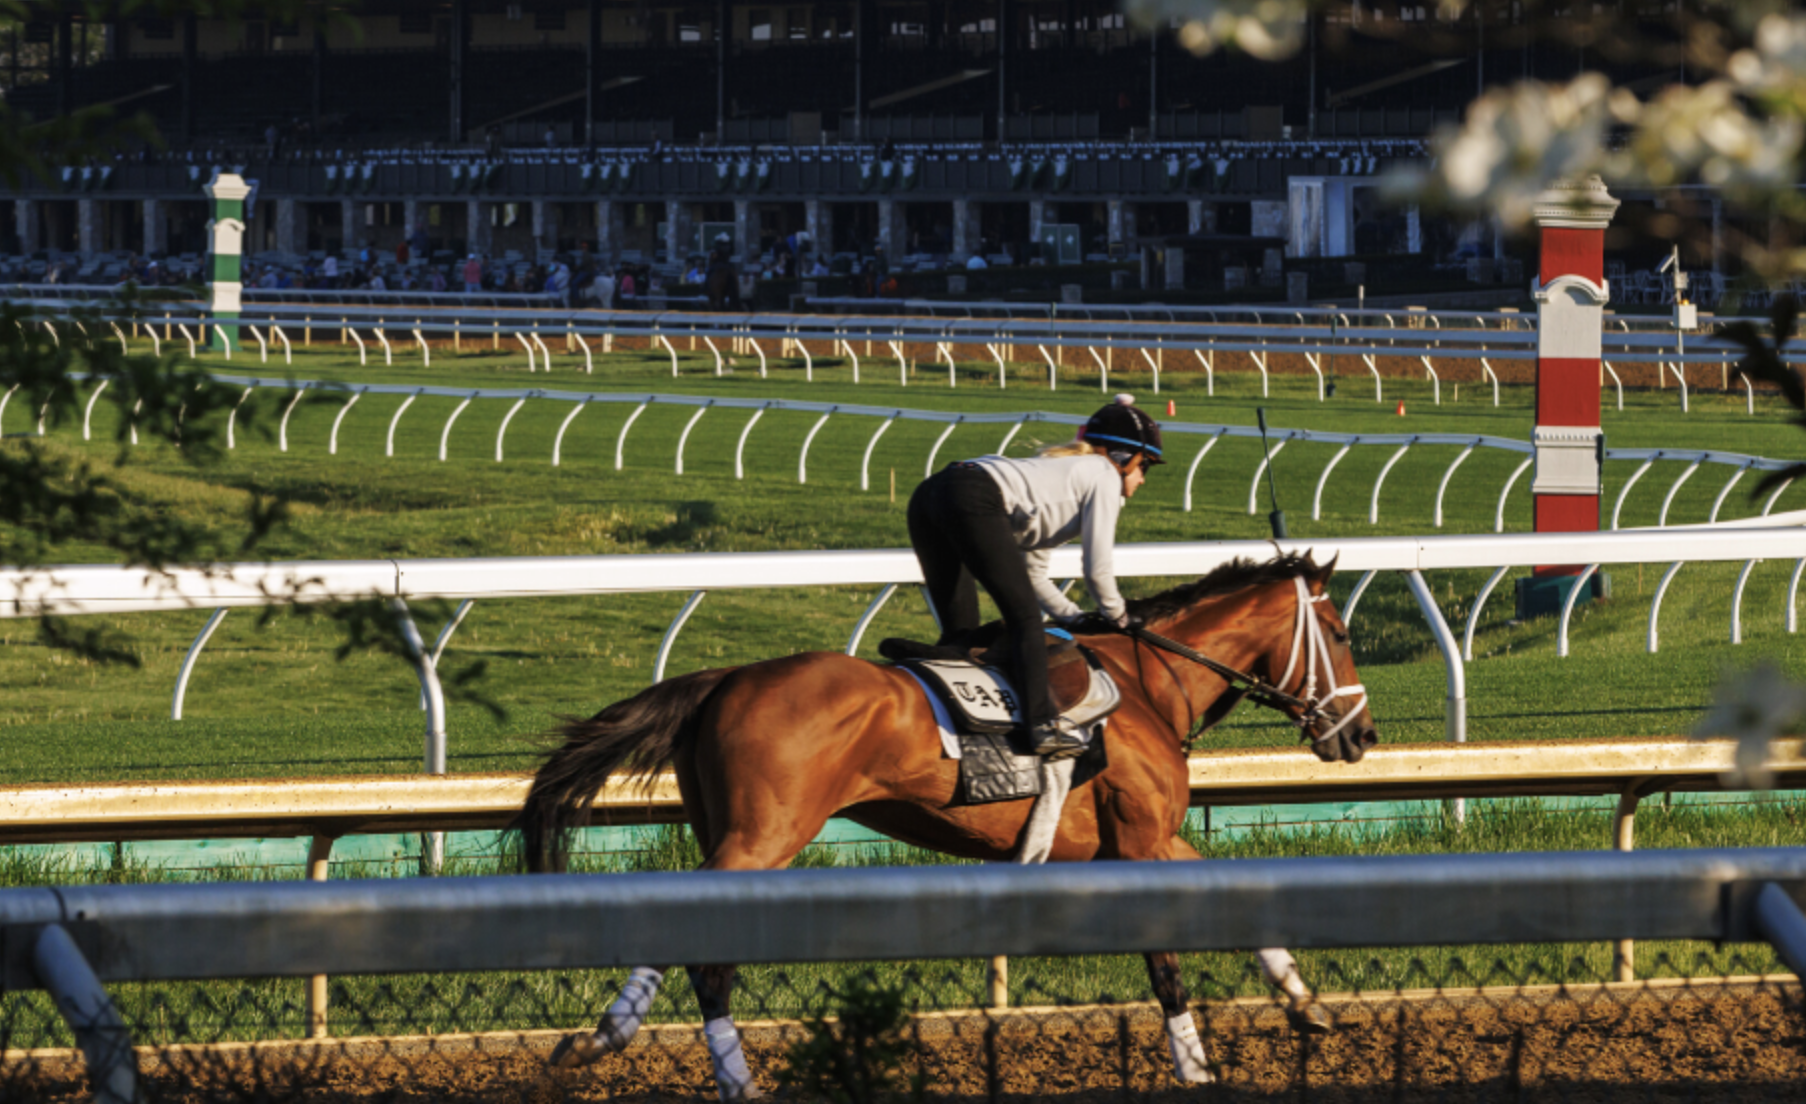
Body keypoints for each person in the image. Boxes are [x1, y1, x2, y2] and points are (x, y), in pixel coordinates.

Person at [905, 394, 1164, 759]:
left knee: (961, 637)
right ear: (1124, 458)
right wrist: (1118, 615)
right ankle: (1042, 726)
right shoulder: (1104, 474)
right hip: (971, 495)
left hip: (931, 493)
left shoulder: (1060, 481)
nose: (1143, 480)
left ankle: (943, 705)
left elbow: (1034, 574)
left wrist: (1073, 616)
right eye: (1145, 467)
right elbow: (1097, 568)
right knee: (1024, 619)